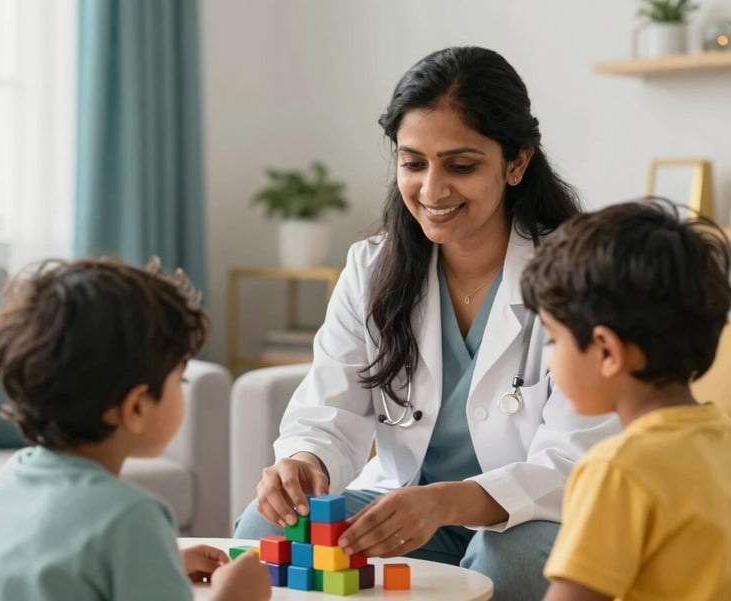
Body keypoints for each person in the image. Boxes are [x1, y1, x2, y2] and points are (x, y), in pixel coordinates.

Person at [234, 46, 620, 600]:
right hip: (404, 511)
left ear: (516, 163)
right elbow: (329, 410)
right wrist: (302, 462)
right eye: (413, 163)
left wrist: (447, 502)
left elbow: (579, 462)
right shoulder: (371, 268)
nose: (432, 191)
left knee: (500, 561)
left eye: (460, 166)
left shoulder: (581, 277)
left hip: (531, 518)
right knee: (262, 530)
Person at [0, 258, 271, 601]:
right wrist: (234, 596)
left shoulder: (13, 477)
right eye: (179, 380)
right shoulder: (132, 516)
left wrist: (152, 565)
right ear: (137, 407)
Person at [519, 200, 731, 601]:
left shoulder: (616, 470)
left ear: (607, 351)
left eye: (553, 339)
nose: (549, 359)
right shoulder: (721, 441)